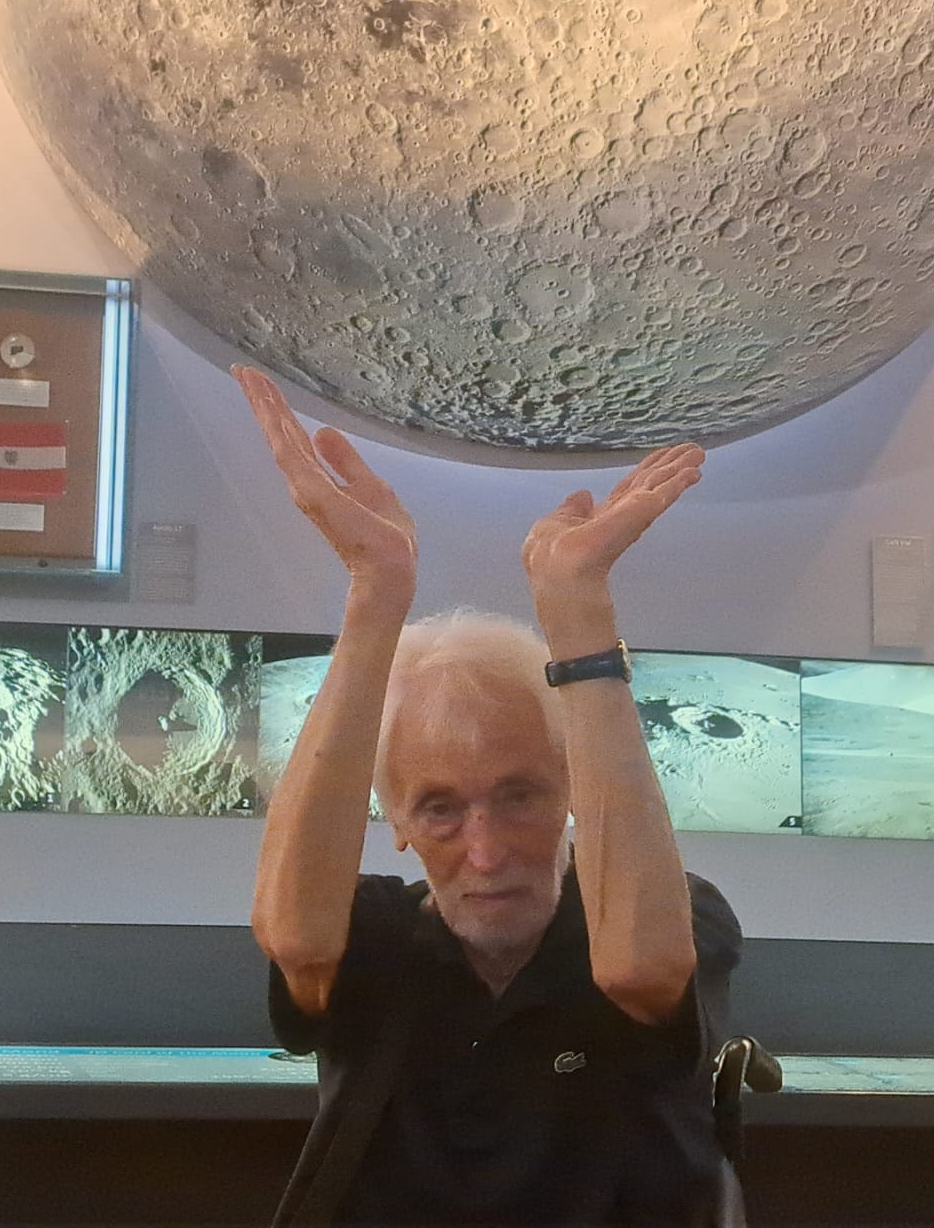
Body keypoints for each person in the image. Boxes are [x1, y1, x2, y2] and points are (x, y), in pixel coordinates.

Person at [236, 366, 744, 1228]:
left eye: (520, 797)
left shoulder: (675, 914)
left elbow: (639, 970)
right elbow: (296, 939)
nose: (486, 850)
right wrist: (375, 596)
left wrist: (578, 614)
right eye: (440, 808)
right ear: (398, 823)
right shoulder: (377, 935)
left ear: (572, 790)